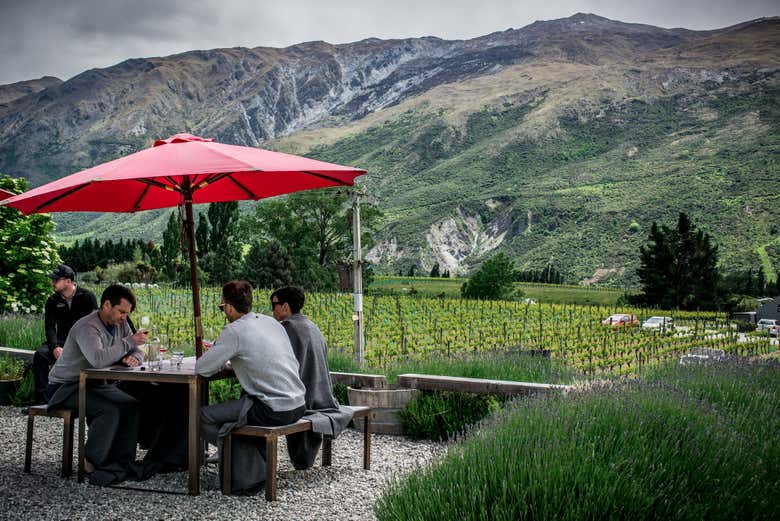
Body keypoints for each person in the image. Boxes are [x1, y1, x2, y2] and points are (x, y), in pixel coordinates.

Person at [196, 280, 307, 494]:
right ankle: (239, 453)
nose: (223, 311)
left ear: (228, 307)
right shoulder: (271, 323)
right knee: (236, 411)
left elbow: (202, 368)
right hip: (298, 403)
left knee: (202, 416)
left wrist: (220, 357)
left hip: (273, 408)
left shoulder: (234, 331)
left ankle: (235, 454)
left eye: (221, 307)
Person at [46, 284, 147, 486]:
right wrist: (129, 343)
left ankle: (120, 461)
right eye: (121, 312)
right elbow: (98, 360)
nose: (124, 318)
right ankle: (90, 461)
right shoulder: (87, 327)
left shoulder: (120, 324)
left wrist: (135, 358)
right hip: (65, 386)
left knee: (131, 405)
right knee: (109, 409)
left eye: (127, 314)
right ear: (107, 305)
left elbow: (137, 349)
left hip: (94, 383)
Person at [270, 286, 354, 469]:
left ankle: (239, 452)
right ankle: (302, 460)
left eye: (274, 305)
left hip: (305, 399)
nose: (271, 309)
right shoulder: (311, 325)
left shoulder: (288, 328)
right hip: (321, 393)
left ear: (285, 306)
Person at [31, 264, 97, 404]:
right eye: (52, 280)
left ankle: (83, 400)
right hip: (61, 342)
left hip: (82, 344)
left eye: (56, 280)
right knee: (40, 355)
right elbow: (49, 327)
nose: (52, 283)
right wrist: (54, 347)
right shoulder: (52, 300)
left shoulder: (87, 297)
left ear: (68, 281)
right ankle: (43, 402)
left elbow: (96, 325)